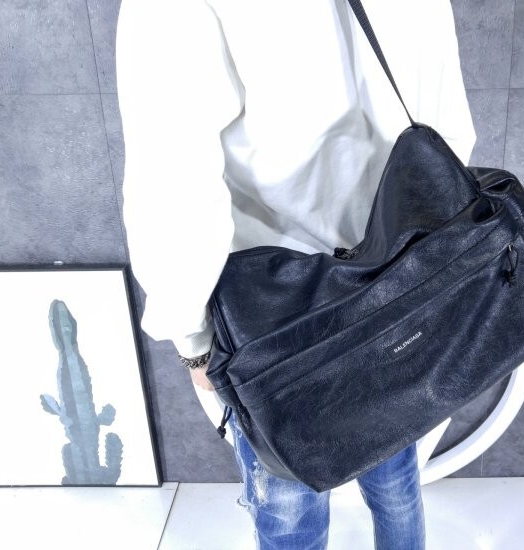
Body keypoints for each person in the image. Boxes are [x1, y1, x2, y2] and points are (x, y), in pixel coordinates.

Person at [116, 0, 475, 548]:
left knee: (291, 517)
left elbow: (172, 177)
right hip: (399, 277)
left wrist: (191, 339)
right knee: (397, 476)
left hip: (273, 317)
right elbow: (447, 123)